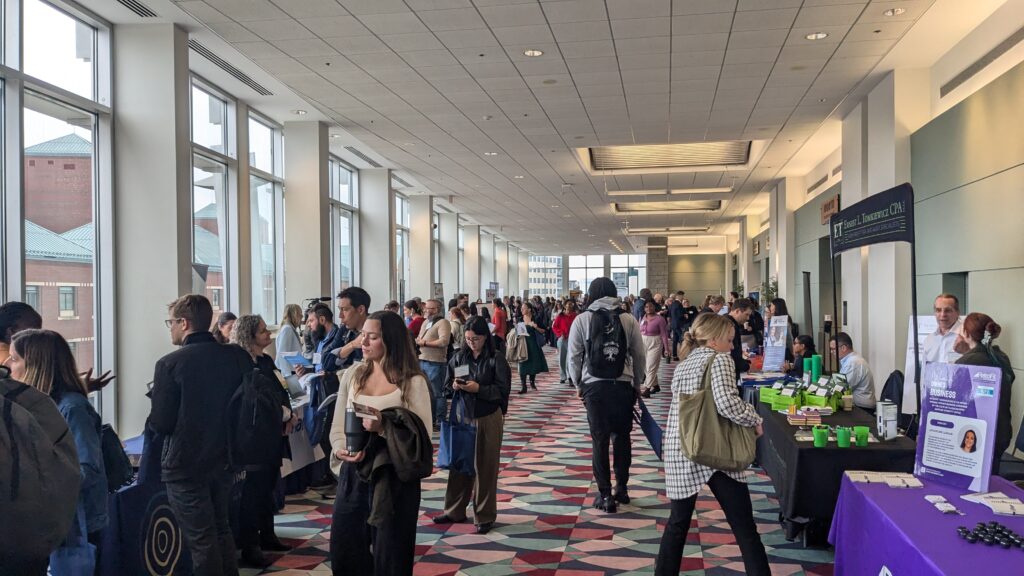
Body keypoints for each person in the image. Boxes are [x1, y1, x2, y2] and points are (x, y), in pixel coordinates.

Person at [655, 313, 769, 576]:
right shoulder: (720, 360)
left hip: (683, 448)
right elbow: (727, 402)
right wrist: (755, 419)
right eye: (729, 340)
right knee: (744, 529)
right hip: (716, 449)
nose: (732, 346)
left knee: (677, 525)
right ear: (715, 339)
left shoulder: (684, 364)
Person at [149, 294, 250, 576]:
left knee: (200, 538)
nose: (169, 327)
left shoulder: (169, 364)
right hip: (227, 456)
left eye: (171, 322)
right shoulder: (237, 356)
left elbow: (162, 422)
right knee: (220, 527)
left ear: (183, 323)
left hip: (185, 463)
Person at [329, 311, 432, 576]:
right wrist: (340, 447)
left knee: (391, 552)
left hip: (393, 478)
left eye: (372, 337)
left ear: (391, 341)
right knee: (347, 546)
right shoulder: (354, 374)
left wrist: (384, 426)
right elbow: (338, 423)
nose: (363, 342)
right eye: (363, 335)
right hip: (355, 472)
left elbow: (422, 438)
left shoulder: (413, 382)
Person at [5, 329, 108, 574]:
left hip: (77, 526)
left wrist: (37, 484)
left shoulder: (72, 408)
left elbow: (88, 468)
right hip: (55, 520)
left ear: (36, 365)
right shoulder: (38, 407)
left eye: (15, 358)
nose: (8, 365)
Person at [567, 277, 645, 513]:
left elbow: (574, 356)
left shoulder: (582, 319)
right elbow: (639, 354)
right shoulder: (628, 318)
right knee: (622, 437)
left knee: (599, 440)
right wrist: (638, 382)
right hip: (622, 384)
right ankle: (622, 488)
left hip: (595, 387)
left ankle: (604, 495)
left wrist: (578, 384)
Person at [433, 316, 511, 534]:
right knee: (459, 465)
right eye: (467, 339)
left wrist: (479, 389)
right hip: (462, 415)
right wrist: (455, 387)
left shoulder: (497, 359)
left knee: (485, 467)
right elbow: (446, 386)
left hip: (487, 417)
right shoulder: (459, 358)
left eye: (475, 339)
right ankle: (454, 510)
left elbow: (502, 393)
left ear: (486, 337)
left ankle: (484, 515)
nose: (471, 342)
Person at [231, 315, 296, 568]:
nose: (268, 335)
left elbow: (281, 388)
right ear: (249, 335)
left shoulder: (267, 361)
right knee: (250, 493)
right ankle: (251, 545)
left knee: (268, 486)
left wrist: (288, 413)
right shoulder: (238, 363)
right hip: (250, 439)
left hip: (271, 435)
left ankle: (268, 535)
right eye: (262, 332)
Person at [954, 313, 1014, 475]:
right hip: (1000, 434)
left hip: (976, 436)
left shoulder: (966, 362)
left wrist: (963, 356)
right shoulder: (1001, 357)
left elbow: (956, 400)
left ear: (966, 333)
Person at [416, 299, 452, 428]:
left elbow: (444, 341)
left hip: (436, 362)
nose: (426, 310)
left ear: (437, 309)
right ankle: (430, 418)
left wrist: (425, 343)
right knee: (426, 393)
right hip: (422, 360)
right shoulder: (426, 322)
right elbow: (420, 338)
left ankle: (440, 420)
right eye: (426, 308)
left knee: (438, 393)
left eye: (430, 308)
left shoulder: (443, 323)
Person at [830, 332, 876, 411]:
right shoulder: (851, 360)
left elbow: (842, 388)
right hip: (859, 405)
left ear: (844, 348)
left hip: (862, 408)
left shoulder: (853, 363)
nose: (831, 352)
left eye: (833, 349)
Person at [332, 287, 372, 370]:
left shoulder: (377, 330)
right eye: (340, 309)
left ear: (360, 310)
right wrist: (352, 345)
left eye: (345, 310)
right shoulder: (345, 330)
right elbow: (326, 362)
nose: (340, 316)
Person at [516, 301, 549, 393]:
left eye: (523, 308)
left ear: (529, 309)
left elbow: (543, 331)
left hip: (533, 344)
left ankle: (532, 382)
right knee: (522, 364)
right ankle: (523, 386)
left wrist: (535, 327)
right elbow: (518, 333)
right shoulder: (520, 319)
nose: (521, 309)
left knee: (533, 364)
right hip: (523, 344)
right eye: (521, 308)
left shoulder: (536, 318)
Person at [640, 300, 670, 398]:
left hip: (655, 342)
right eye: (647, 307)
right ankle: (656, 386)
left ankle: (647, 389)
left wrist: (666, 349)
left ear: (654, 307)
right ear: (644, 308)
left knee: (651, 366)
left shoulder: (660, 319)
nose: (649, 309)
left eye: (651, 306)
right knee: (645, 366)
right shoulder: (643, 317)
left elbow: (664, 334)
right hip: (643, 341)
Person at [925, 293, 963, 365]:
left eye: (948, 310)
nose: (943, 315)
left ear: (958, 312)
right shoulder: (929, 340)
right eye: (938, 310)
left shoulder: (966, 338)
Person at [552, 300, 579, 384]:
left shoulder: (575, 316)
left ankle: (570, 377)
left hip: (572, 340)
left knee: (571, 359)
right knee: (562, 358)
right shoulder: (560, 316)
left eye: (572, 304)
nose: (570, 305)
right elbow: (554, 327)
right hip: (562, 339)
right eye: (568, 304)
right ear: (565, 305)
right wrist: (560, 334)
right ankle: (563, 376)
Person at [274, 304, 304, 379]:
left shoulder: (289, 328)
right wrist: (288, 375)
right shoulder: (287, 329)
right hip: (288, 372)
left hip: (292, 370)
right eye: (300, 314)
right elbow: (282, 354)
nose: (302, 317)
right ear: (294, 315)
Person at [726, 298, 753, 374]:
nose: (748, 318)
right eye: (746, 314)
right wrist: (745, 366)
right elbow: (733, 353)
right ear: (737, 311)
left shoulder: (731, 322)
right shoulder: (729, 324)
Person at [668, 291, 686, 362]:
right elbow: (680, 315)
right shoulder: (679, 304)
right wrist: (685, 316)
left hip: (673, 324)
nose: (683, 298)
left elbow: (669, 315)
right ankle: (682, 355)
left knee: (675, 341)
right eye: (682, 296)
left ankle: (674, 355)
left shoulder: (672, 304)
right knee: (682, 340)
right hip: (678, 325)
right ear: (679, 296)